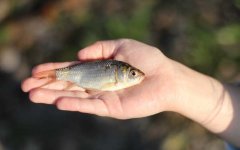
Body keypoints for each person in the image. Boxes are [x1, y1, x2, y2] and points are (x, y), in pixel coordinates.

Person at [21, 39, 240, 148]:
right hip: (81, 75)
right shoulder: (116, 73)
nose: (137, 76)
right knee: (55, 77)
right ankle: (52, 75)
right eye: (133, 73)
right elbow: (221, 108)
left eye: (133, 73)